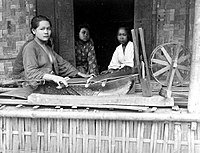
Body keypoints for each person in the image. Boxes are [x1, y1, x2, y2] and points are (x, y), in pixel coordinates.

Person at [12, 15, 92, 95]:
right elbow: (31, 73)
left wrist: (81, 74)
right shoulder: (30, 47)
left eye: (48, 29)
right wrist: (54, 77)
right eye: (42, 29)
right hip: (32, 88)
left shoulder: (47, 48)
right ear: (34, 31)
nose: (46, 32)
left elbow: (62, 64)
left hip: (46, 86)